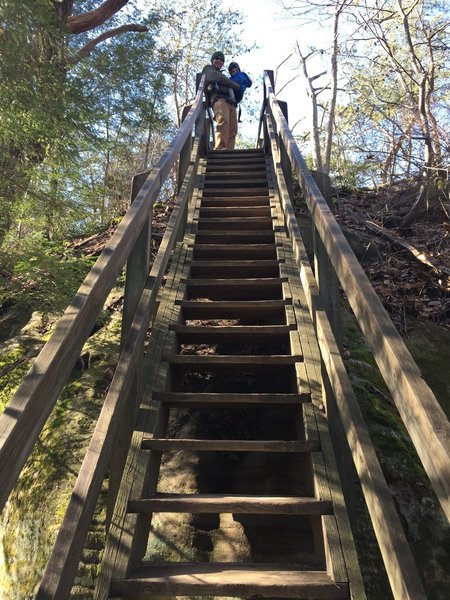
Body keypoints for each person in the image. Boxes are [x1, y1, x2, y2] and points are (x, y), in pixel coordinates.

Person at [202, 51, 241, 150]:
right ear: (212, 60)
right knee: (223, 121)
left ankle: (229, 151)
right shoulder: (208, 69)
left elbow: (236, 92)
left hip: (231, 103)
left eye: (221, 59)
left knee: (233, 130)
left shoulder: (225, 76)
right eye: (217, 58)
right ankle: (219, 149)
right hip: (219, 99)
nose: (219, 60)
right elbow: (214, 77)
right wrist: (234, 85)